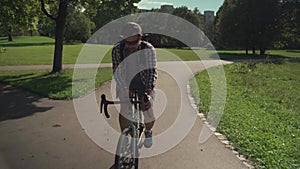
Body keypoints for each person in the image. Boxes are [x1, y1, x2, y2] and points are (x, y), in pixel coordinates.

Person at [112, 22, 157, 148]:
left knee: (148, 112)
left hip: (143, 82)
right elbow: (117, 71)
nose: (130, 46)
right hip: (126, 82)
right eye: (127, 42)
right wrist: (122, 89)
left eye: (133, 43)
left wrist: (148, 92)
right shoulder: (117, 49)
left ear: (140, 38)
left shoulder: (148, 49)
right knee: (124, 108)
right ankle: (124, 136)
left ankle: (148, 132)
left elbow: (151, 72)